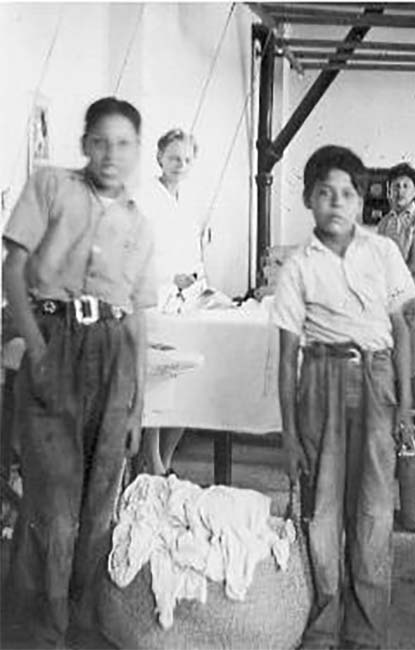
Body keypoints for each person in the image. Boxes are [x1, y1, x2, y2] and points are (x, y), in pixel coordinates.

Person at [2, 96, 156, 647]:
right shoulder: (50, 187)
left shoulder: (141, 226)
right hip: (53, 338)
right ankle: (46, 627)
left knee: (96, 506)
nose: (110, 154)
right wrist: (37, 345)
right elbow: (13, 269)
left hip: (112, 355)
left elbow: (137, 318)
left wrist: (138, 403)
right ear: (83, 143)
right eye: (99, 141)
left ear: (137, 150)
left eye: (122, 144)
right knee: (55, 502)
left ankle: (78, 618)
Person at [273, 145, 415, 650]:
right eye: (325, 193)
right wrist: (290, 436)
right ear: (309, 200)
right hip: (320, 383)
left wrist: (405, 405)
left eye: (347, 193)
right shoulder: (296, 266)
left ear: (361, 203)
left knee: (375, 511)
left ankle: (366, 632)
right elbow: (286, 353)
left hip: (377, 383)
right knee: (323, 511)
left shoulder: (383, 252)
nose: (336, 202)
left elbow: (401, 329)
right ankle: (321, 627)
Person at [135, 128, 204, 477]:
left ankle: (168, 455)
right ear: (160, 158)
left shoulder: (186, 203)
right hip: (153, 301)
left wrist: (196, 283)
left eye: (187, 159)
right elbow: (139, 255)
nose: (180, 164)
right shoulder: (145, 199)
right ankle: (152, 458)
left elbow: (194, 256)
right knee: (159, 384)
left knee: (188, 383)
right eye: (174, 157)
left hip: (182, 303)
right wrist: (168, 280)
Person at [377, 163, 415, 407]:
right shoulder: (383, 224)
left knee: (413, 364)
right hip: (388, 300)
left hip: (411, 296)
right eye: (395, 186)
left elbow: (414, 264)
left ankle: (411, 423)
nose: (400, 191)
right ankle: (396, 426)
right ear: (389, 192)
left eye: (405, 186)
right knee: (392, 363)